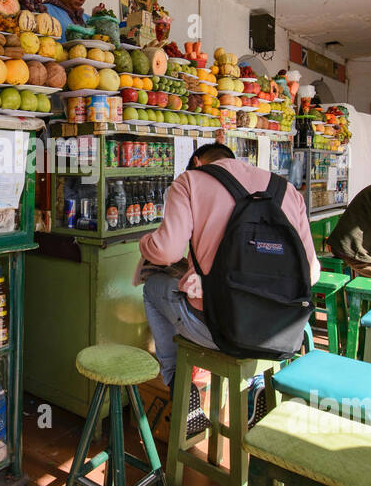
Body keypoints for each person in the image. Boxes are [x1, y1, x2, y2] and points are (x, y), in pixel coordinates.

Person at [137, 143, 320, 396]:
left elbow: (167, 252)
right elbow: (311, 275)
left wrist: (146, 243)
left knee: (152, 288)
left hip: (218, 329)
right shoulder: (287, 190)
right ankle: (256, 382)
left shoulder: (190, 181)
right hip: (281, 331)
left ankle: (178, 383)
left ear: (198, 163)